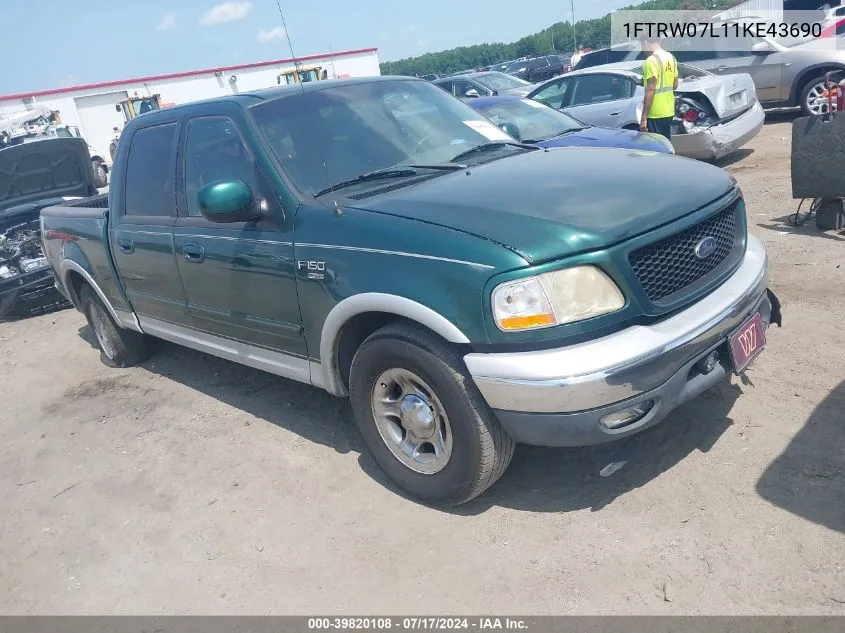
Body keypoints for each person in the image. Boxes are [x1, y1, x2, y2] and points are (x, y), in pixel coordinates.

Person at [639, 34, 678, 140]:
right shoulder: (671, 58)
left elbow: (651, 90)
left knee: (654, 147)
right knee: (666, 144)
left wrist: (643, 118)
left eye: (642, 46)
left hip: (655, 112)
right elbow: (675, 85)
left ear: (645, 43)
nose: (643, 50)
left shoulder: (651, 61)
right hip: (668, 110)